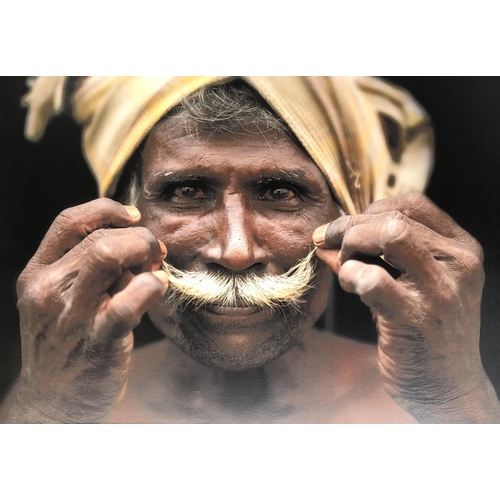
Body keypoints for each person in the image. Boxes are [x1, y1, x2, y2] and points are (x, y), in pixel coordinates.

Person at [1, 76, 499, 423]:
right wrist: (47, 413)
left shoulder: (433, 407)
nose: (236, 252)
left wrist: (454, 401)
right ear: (119, 219)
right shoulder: (59, 410)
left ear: (348, 219)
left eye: (280, 192)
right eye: (188, 192)